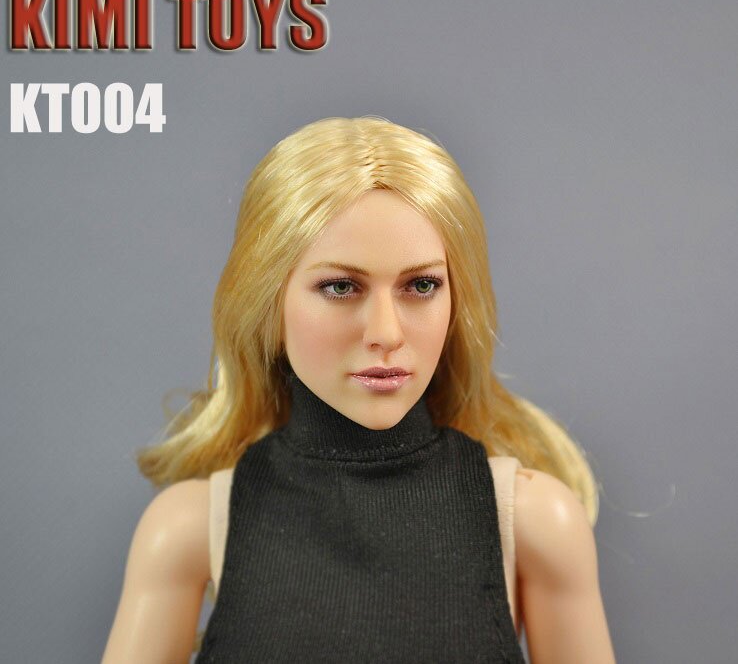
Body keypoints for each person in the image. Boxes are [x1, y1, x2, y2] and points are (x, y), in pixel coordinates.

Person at [102, 117, 615, 663]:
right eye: (341, 287)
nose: (386, 333)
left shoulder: (534, 520)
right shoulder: (185, 529)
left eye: (421, 285)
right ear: (268, 303)